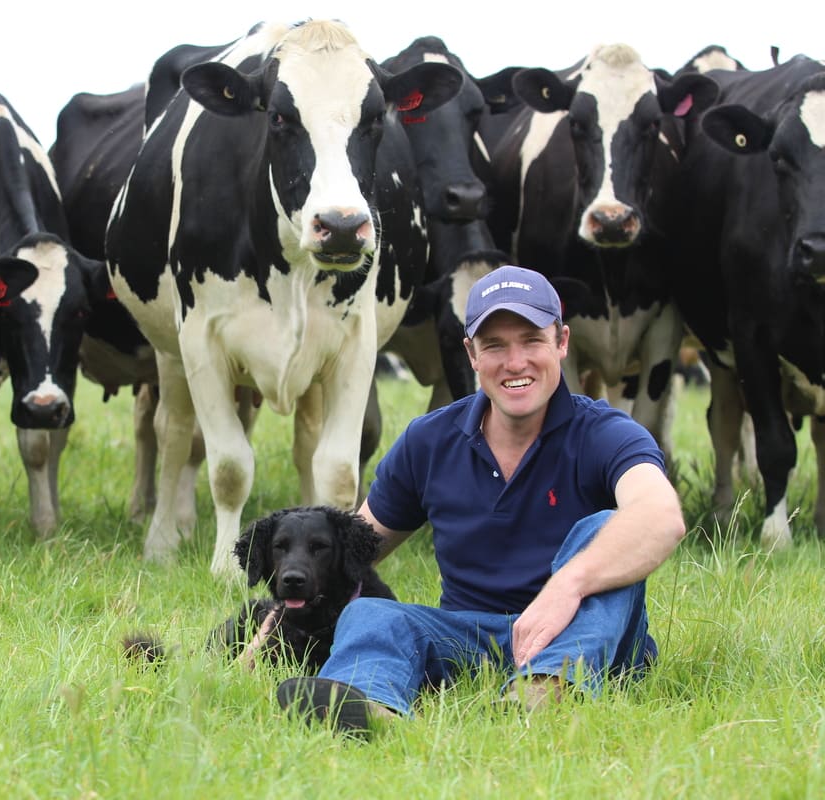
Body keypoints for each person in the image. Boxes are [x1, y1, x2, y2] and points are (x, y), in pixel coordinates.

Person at [276, 265, 686, 734]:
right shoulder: (430, 441)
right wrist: (272, 622)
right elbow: (352, 549)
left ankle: (544, 690)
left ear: (562, 342)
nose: (515, 363)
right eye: (494, 345)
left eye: (532, 340)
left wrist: (566, 587)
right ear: (471, 353)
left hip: (595, 640)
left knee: (603, 528)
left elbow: (661, 515)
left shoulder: (604, 433)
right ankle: (372, 707)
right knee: (372, 613)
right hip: (472, 639)